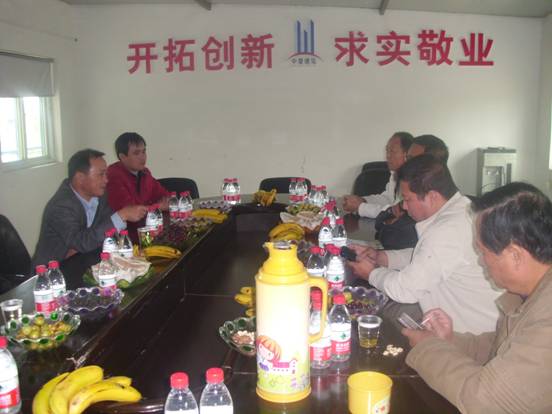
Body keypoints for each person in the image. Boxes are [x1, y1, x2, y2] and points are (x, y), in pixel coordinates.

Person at [402, 182, 552, 414]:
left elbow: (484, 400)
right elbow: (502, 348)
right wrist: (449, 340)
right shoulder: (530, 295)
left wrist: (427, 347)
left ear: (515, 256)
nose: (481, 261)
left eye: (483, 252)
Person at [348, 155, 501, 334]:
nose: (404, 207)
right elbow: (427, 255)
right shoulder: (462, 209)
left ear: (432, 196)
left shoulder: (448, 229)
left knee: (371, 317)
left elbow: (405, 290)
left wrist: (371, 273)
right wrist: (382, 257)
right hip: (454, 316)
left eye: (407, 199)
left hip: (470, 334)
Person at [32, 149, 147, 267]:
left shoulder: (100, 196)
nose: (106, 180)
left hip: (85, 262)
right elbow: (83, 242)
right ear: (80, 178)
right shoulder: (61, 206)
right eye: (101, 174)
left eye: (106, 174)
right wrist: (121, 215)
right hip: (54, 272)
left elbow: (106, 232)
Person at [374, 134, 449, 250]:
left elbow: (390, 238)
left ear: (429, 165)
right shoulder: (417, 189)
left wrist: (391, 220)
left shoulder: (427, 197)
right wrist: (391, 213)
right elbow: (379, 222)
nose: (405, 163)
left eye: (410, 159)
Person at [107, 132, 170, 240]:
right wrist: (158, 206)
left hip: (148, 229)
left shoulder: (145, 173)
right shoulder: (113, 176)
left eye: (144, 151)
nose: (142, 157)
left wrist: (155, 206)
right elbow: (131, 212)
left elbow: (165, 197)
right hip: (125, 238)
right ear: (122, 157)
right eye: (136, 153)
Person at [342, 132, 413, 218]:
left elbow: (395, 212)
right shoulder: (395, 173)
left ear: (407, 155)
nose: (388, 156)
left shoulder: (412, 179)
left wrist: (361, 207)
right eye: (387, 151)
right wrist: (363, 200)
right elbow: (388, 198)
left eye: (392, 151)